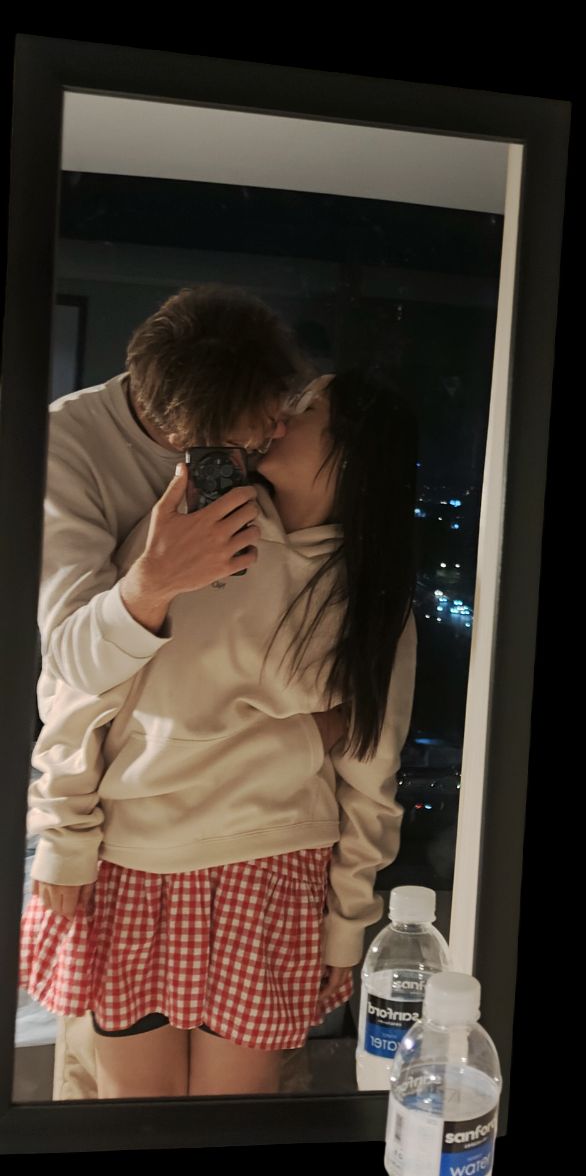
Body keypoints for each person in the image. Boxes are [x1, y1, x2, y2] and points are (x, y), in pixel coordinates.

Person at [20, 369, 419, 1097]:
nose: (279, 417)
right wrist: (62, 834)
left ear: (353, 450)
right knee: (135, 1120)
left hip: (273, 867)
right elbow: (86, 691)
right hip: (134, 857)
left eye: (306, 407)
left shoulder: (369, 595)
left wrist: (348, 921)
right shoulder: (200, 529)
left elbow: (372, 772)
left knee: (230, 1117)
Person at [30, 283, 319, 1098]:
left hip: (252, 826)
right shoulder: (69, 445)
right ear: (185, 432)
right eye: (257, 426)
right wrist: (151, 583)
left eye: (283, 409)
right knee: (125, 1104)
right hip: (125, 822)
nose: (278, 430)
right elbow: (70, 667)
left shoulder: (277, 457)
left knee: (241, 1103)